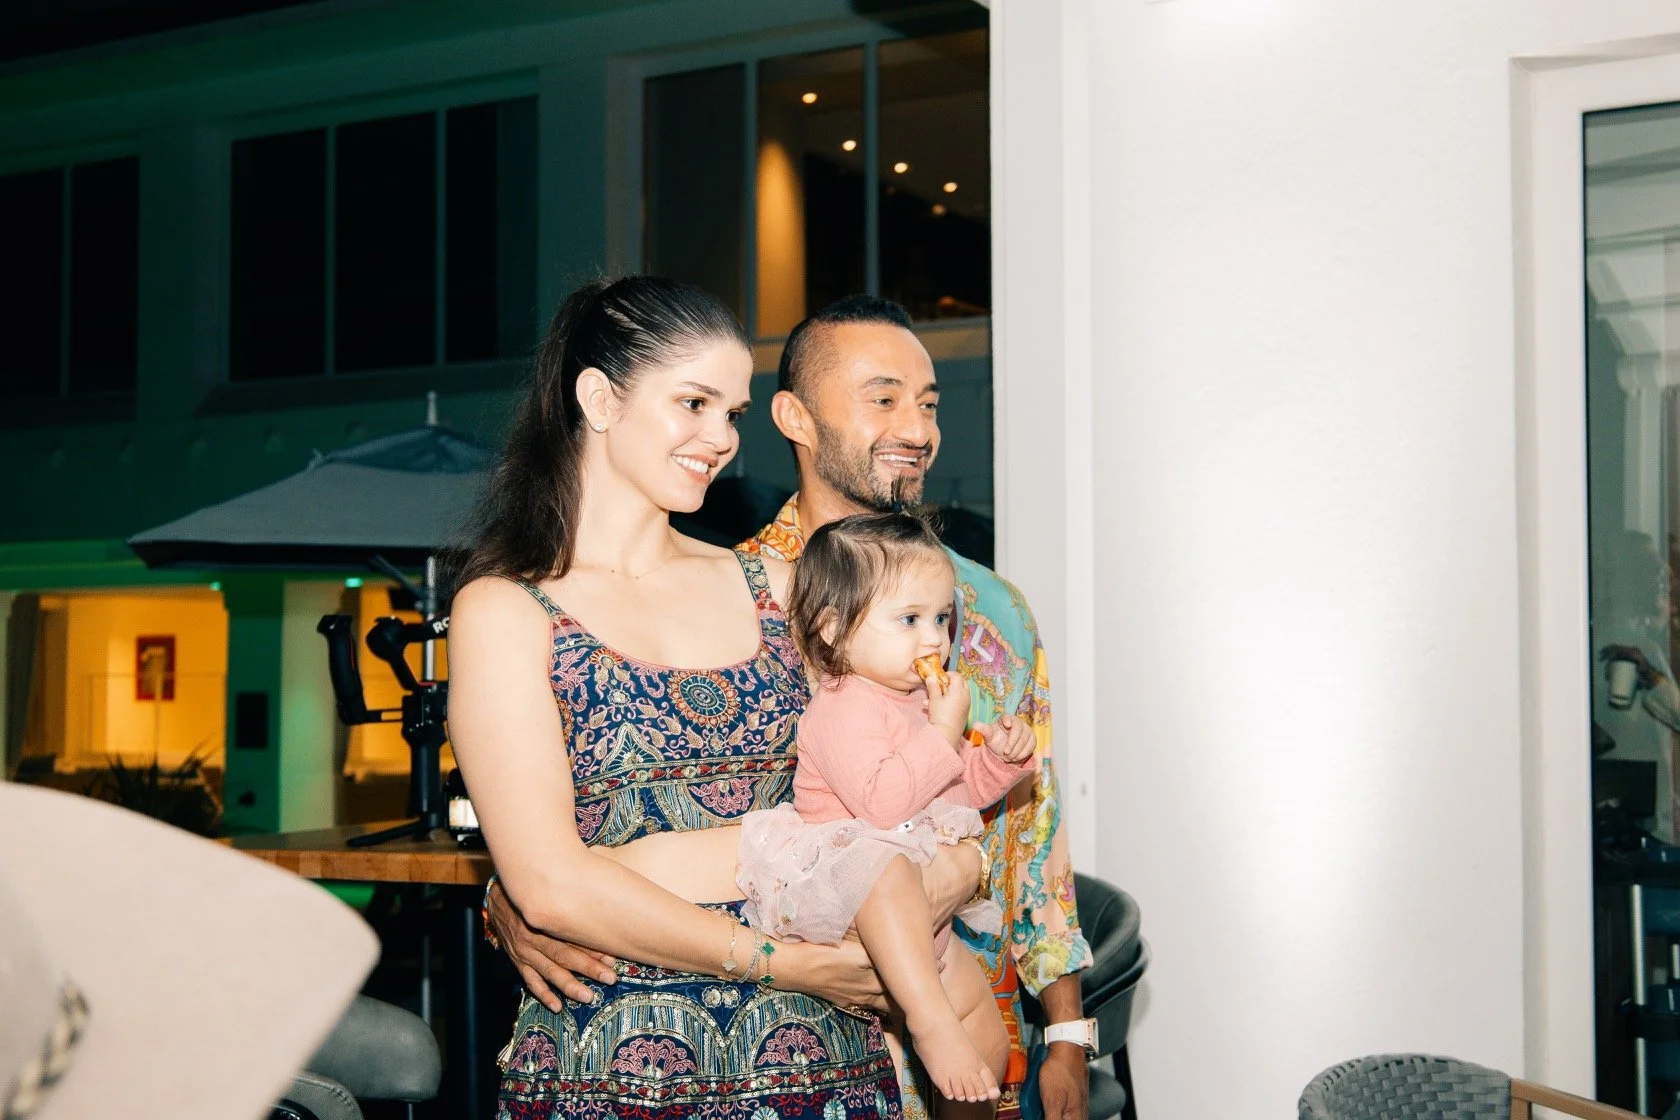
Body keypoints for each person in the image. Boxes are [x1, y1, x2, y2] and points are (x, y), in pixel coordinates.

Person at [485, 294, 1096, 1120]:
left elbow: (950, 819)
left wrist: (1067, 1033)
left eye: (729, 412)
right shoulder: (528, 608)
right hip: (626, 1059)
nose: (722, 438)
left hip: (851, 1048)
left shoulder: (800, 596)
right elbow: (559, 868)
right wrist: (529, 888)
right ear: (600, 401)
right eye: (694, 404)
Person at [736, 512, 1037, 1105]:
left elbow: (951, 798)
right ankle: (928, 1025)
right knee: (886, 869)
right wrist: (944, 730)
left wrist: (999, 762)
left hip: (925, 926)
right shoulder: (842, 707)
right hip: (854, 885)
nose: (933, 640)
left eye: (941, 619)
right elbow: (883, 805)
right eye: (909, 620)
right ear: (831, 629)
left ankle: (959, 1068)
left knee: (992, 1048)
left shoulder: (918, 699)